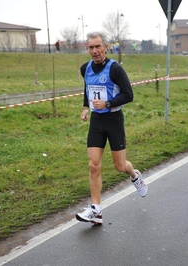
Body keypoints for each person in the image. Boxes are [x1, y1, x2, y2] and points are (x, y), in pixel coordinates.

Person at [76, 32, 148, 225]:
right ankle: (96, 210)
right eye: (91, 47)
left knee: (119, 166)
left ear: (105, 47)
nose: (95, 51)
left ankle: (135, 175)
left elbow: (128, 95)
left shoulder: (115, 69)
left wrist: (107, 104)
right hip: (97, 123)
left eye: (98, 46)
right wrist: (85, 107)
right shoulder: (86, 69)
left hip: (114, 120)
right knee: (93, 165)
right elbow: (88, 88)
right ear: (87, 48)